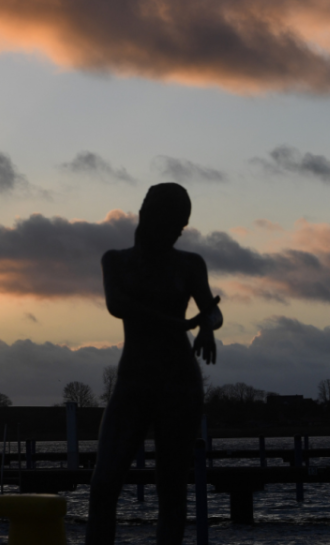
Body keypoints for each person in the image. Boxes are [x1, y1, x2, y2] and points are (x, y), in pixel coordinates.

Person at [85, 184, 222, 545]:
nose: (178, 232)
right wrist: (179, 325)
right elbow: (118, 304)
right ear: (148, 217)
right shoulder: (116, 261)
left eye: (183, 226)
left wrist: (206, 326)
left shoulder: (190, 265)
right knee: (103, 485)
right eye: (174, 223)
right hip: (133, 381)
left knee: (172, 492)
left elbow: (212, 308)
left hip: (180, 385)